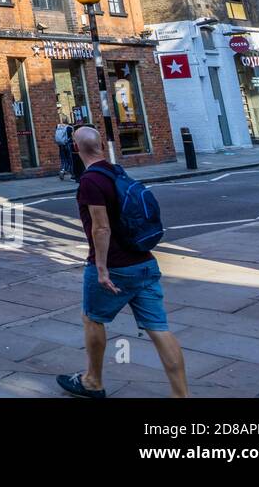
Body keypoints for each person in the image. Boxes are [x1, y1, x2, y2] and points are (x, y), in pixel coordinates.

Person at [58, 125, 189, 399]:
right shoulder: (116, 171)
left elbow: (101, 228)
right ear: (102, 147)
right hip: (144, 262)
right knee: (159, 329)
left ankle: (93, 381)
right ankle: (181, 395)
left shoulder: (90, 181)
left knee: (93, 319)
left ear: (75, 148)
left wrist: (102, 268)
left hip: (115, 265)